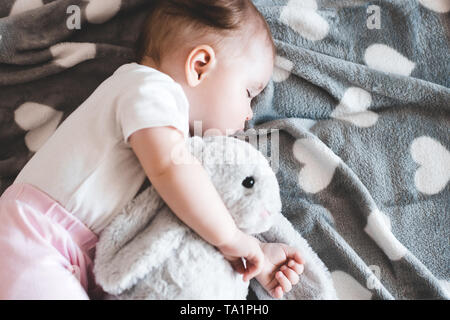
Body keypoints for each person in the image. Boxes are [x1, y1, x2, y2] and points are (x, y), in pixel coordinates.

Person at [0, 0, 304, 300]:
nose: (250, 114)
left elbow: (185, 213)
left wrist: (260, 255)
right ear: (199, 66)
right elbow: (172, 172)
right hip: (33, 239)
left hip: (70, 257)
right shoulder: (149, 87)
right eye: (248, 93)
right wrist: (234, 240)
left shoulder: (171, 133)